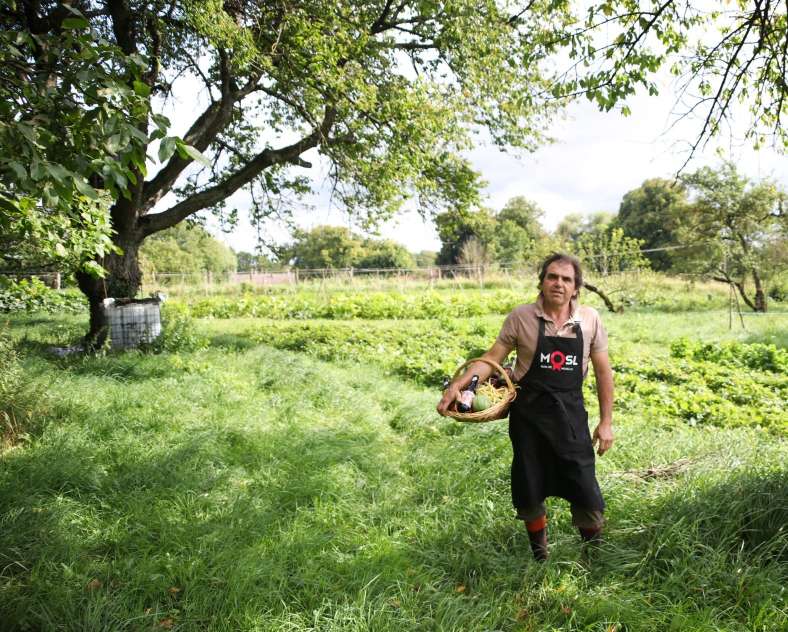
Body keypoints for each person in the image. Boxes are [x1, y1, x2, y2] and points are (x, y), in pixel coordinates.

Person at [437, 253, 614, 561]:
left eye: (566, 279)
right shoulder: (521, 317)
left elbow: (602, 372)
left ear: (576, 288)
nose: (558, 284)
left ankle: (593, 557)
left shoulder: (589, 319)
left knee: (584, 485)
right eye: (552, 277)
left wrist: (606, 422)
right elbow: (491, 360)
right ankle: (540, 556)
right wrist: (460, 386)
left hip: (570, 418)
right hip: (528, 419)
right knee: (529, 485)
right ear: (542, 282)